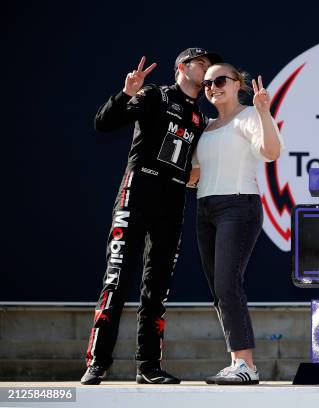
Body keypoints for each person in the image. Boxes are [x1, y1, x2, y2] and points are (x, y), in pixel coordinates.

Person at [81, 48, 222, 385]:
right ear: (181, 68)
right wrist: (127, 92)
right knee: (117, 278)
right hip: (138, 189)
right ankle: (97, 363)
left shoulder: (201, 119)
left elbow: (194, 168)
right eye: (200, 63)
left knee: (157, 287)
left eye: (208, 65)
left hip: (173, 199)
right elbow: (103, 123)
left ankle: (148, 365)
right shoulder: (156, 95)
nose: (205, 69)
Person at [190, 63, 283, 385]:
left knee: (228, 284)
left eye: (220, 81)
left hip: (238, 206)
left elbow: (271, 153)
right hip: (205, 209)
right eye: (206, 84)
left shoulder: (250, 116)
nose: (213, 87)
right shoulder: (206, 126)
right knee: (220, 288)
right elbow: (193, 176)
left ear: (236, 83)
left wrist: (264, 112)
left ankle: (246, 365)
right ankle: (236, 363)